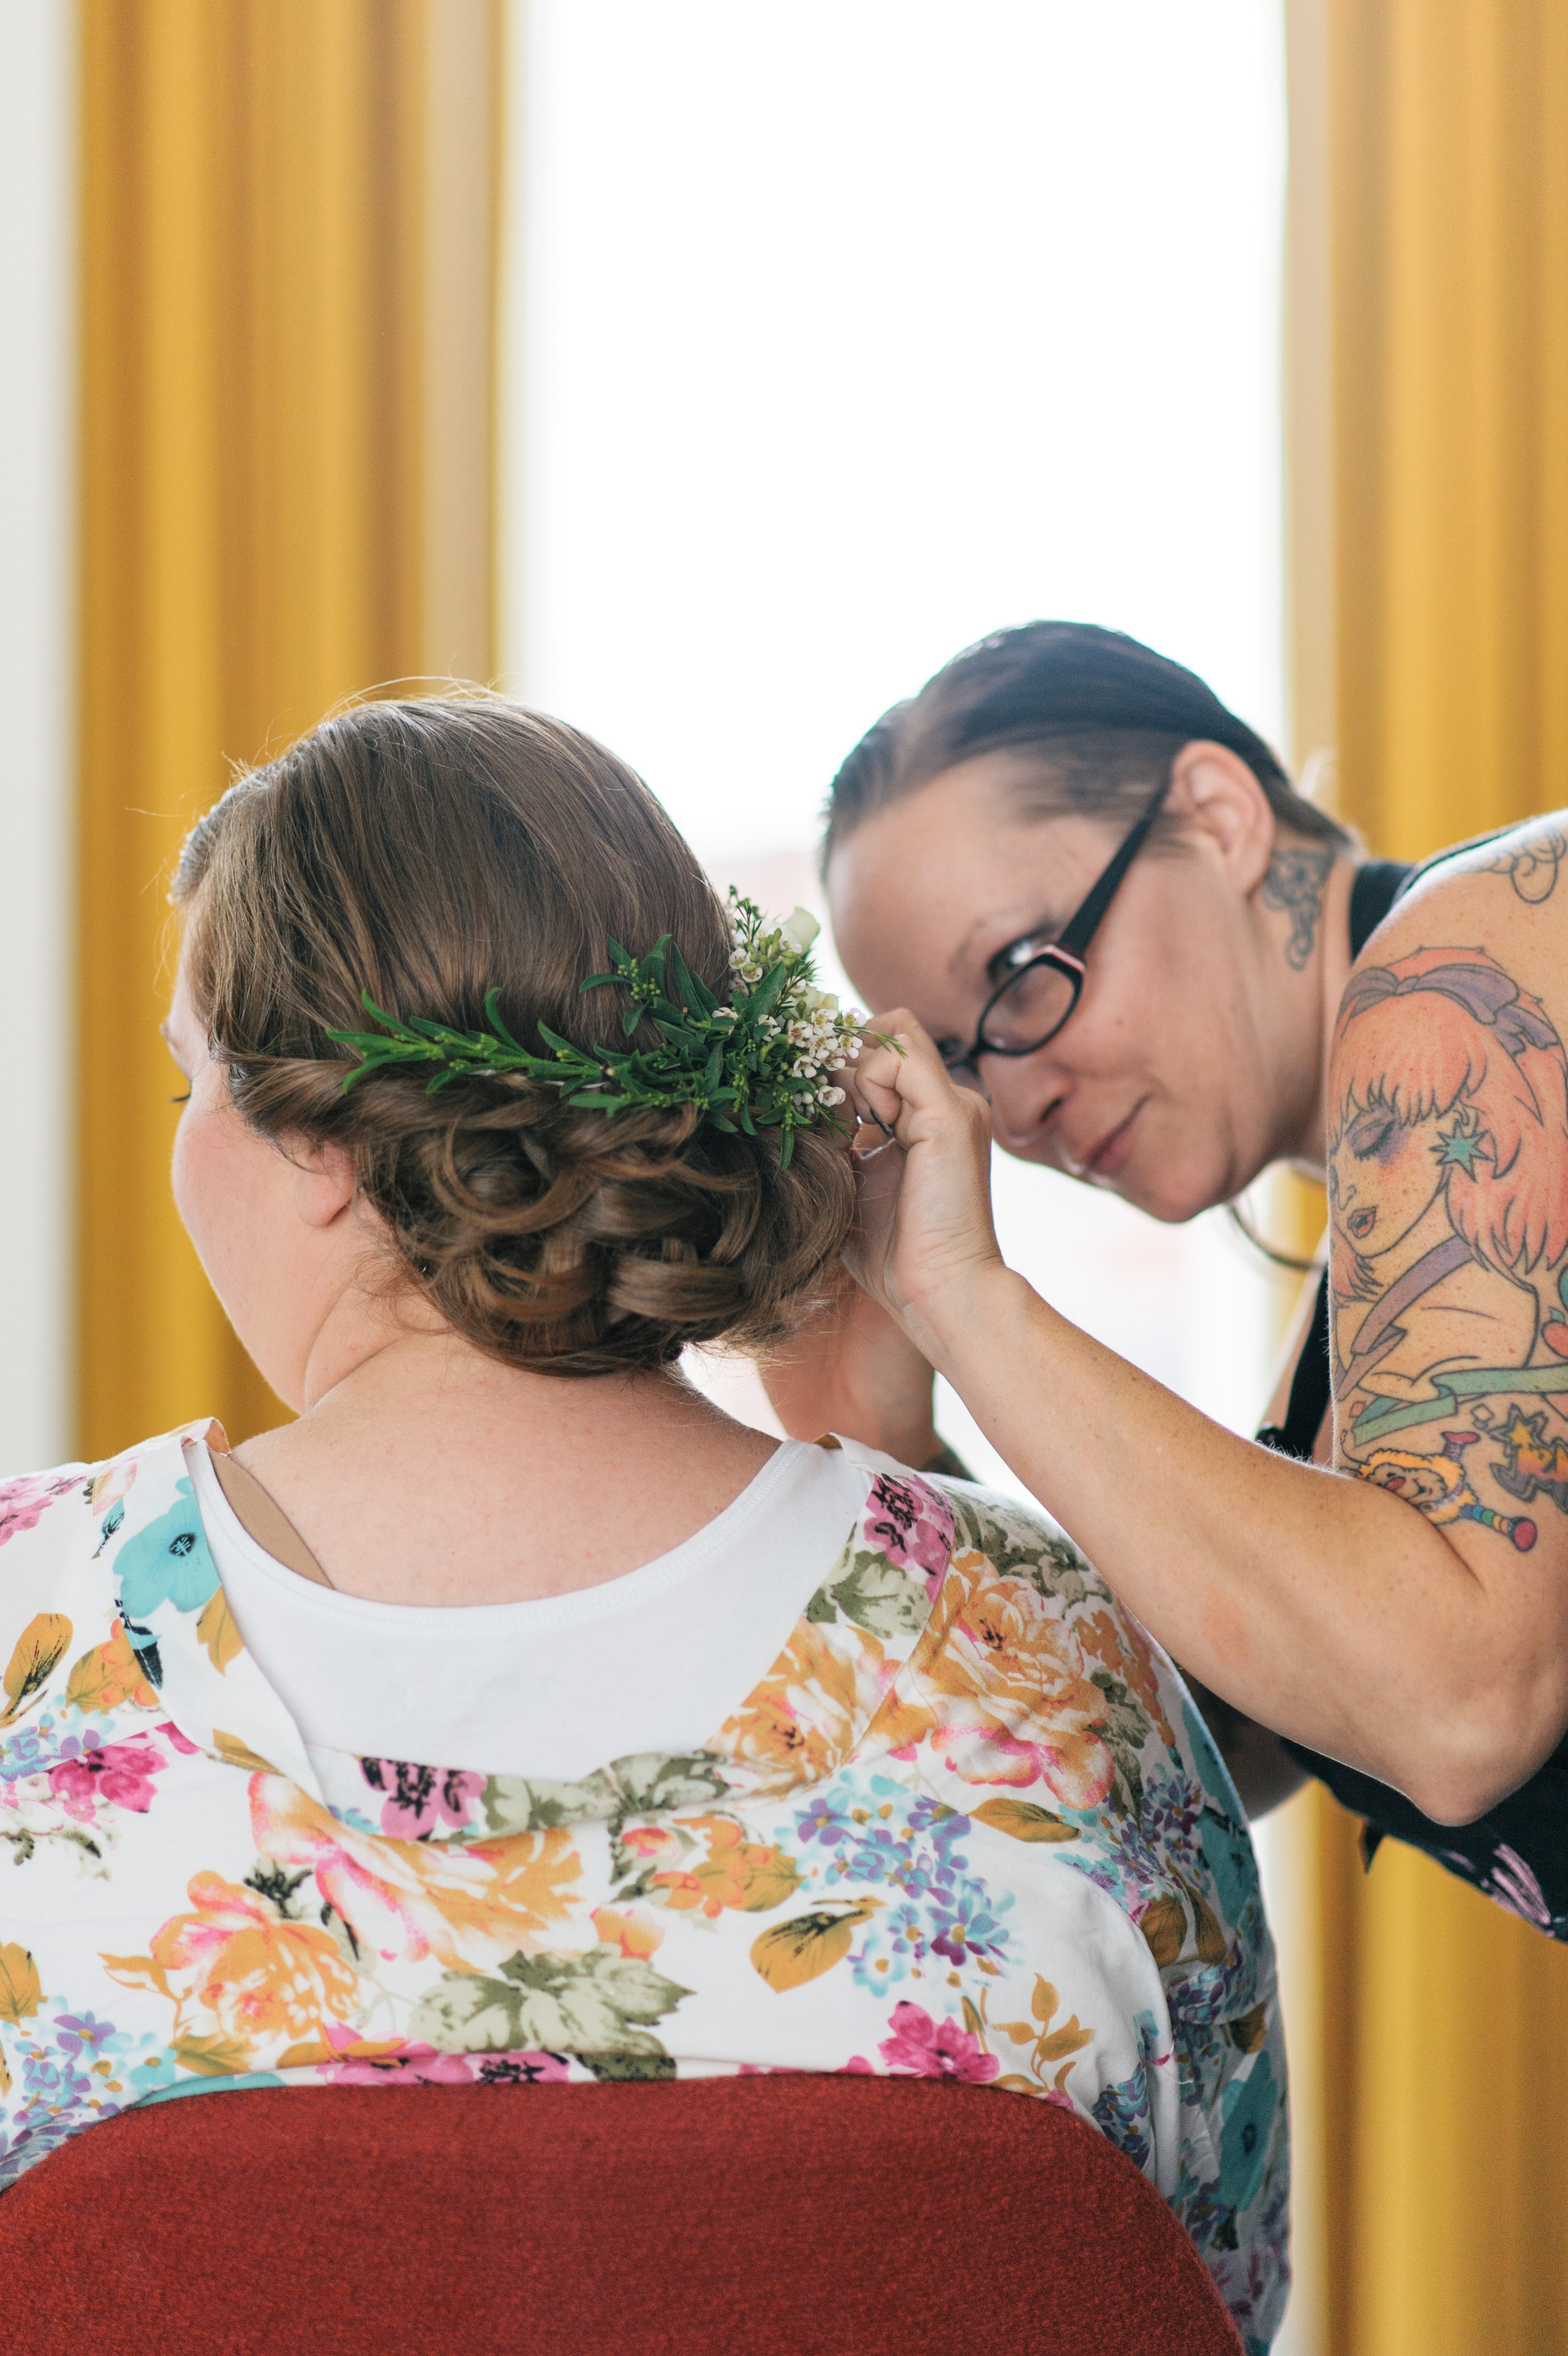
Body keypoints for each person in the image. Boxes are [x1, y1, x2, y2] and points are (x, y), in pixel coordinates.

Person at [0, 693, 1285, 2345]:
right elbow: (1206, 2293)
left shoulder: (29, 1636)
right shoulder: (1045, 1651)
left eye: (195, 1080)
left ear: (317, 1136)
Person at [773, 618, 1568, 1933]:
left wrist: (968, 1303)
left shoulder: (1469, 954)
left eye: (1023, 974)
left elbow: (1451, 1703)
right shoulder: (1353, 1327)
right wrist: (884, 1440)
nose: (1013, 1107)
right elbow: (1193, 1754)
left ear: (1216, 814)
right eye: (962, 1065)